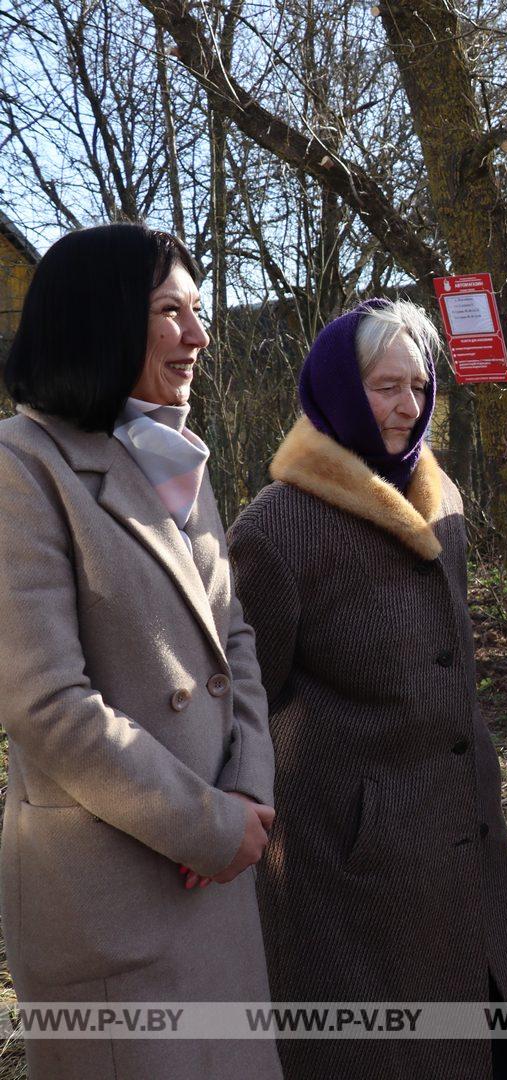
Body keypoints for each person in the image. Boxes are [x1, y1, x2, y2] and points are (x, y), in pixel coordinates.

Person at [227, 299, 507, 1079]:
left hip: (466, 836)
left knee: (492, 1038)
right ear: (335, 388)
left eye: (420, 385)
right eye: (384, 386)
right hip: (351, 867)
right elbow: (243, 703)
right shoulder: (276, 528)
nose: (409, 407)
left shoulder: (446, 504)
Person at [0, 223, 281, 1078]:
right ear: (101, 319)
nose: (199, 337)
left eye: (199, 311)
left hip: (218, 877)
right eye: (171, 312)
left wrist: (247, 792)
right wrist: (201, 825)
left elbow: (235, 640)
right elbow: (45, 703)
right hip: (116, 899)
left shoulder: (172, 456)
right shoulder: (22, 467)